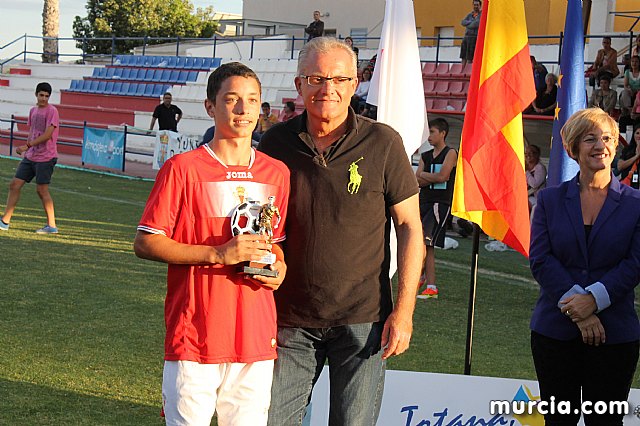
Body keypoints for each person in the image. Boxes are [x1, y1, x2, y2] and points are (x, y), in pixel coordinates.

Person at [258, 37, 423, 425]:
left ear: (355, 84)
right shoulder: (275, 142)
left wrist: (404, 312)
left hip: (363, 321)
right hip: (289, 319)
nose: (327, 88)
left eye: (339, 78)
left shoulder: (383, 142)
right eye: (316, 78)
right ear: (299, 85)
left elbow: (410, 227)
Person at [133, 62, 290, 426]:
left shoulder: (276, 173)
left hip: (255, 337)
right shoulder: (183, 169)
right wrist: (217, 254)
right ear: (210, 106)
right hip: (195, 337)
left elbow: (275, 243)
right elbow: (146, 242)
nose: (243, 109)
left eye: (252, 100)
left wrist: (279, 266)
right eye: (232, 99)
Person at [529, 108, 640, 425]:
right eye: (590, 138)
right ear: (573, 147)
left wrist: (593, 300)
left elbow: (635, 263)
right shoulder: (550, 200)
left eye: (607, 138)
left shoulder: (636, 204)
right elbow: (540, 259)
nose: (600, 146)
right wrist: (579, 308)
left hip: (615, 336)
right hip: (555, 333)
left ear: (616, 145)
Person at [0, 82, 59, 234]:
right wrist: (28, 149)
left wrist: (27, 146)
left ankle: (51, 226)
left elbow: (47, 135)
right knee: (14, 184)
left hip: (46, 157)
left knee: (41, 190)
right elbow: (33, 131)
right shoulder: (33, 111)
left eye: (47, 96)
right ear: (36, 94)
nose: (44, 98)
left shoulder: (52, 111)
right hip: (31, 156)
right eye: (41, 95)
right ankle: (5, 221)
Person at [415, 118, 457, 300]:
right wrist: (429, 177)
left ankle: (431, 286)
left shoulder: (451, 153)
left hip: (439, 203)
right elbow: (417, 179)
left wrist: (425, 176)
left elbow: (443, 176)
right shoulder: (425, 156)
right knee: (419, 242)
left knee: (428, 243)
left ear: (443, 133)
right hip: (423, 201)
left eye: (432, 132)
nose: (429, 136)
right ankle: (423, 277)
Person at [617, 124, 640, 189]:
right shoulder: (627, 149)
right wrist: (636, 156)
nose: (639, 136)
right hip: (628, 185)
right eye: (637, 133)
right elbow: (620, 166)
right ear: (634, 135)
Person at [524, 144, 546, 212]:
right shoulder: (525, 168)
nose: (528, 155)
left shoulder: (539, 168)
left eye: (531, 153)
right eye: (526, 153)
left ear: (537, 155)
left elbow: (534, 184)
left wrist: (526, 171)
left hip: (535, 199)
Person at [460, 0, 481, 68]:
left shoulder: (481, 15)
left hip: (474, 37)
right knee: (463, 56)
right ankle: (462, 70)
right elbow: (462, 22)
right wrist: (471, 23)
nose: (476, 6)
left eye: (477, 5)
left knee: (470, 57)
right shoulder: (470, 15)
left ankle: (468, 71)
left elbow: (476, 24)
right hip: (466, 37)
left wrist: (468, 24)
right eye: (474, 5)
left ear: (480, 6)